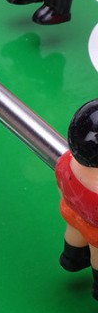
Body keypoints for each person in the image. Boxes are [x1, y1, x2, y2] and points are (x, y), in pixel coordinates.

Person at [56, 99, 98, 298]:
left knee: (74, 233)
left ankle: (72, 257)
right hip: (95, 231)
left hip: (72, 212)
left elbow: (61, 188)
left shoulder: (66, 163)